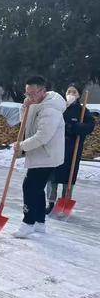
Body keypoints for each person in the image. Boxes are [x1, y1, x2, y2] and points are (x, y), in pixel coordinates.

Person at [13, 75, 65, 238]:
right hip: (38, 153)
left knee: (29, 186)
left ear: (43, 90)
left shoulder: (50, 109)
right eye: (27, 93)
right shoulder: (35, 102)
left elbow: (43, 136)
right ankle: (39, 222)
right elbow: (25, 123)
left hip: (47, 154)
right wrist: (24, 107)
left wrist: (21, 146)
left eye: (33, 93)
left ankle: (28, 222)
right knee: (36, 188)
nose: (29, 97)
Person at [46, 84, 95, 213]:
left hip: (72, 149)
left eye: (74, 92)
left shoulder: (83, 111)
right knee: (52, 176)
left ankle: (64, 202)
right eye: (69, 91)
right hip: (56, 147)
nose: (71, 94)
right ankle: (51, 203)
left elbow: (90, 126)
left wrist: (75, 127)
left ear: (78, 95)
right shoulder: (59, 107)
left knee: (69, 177)